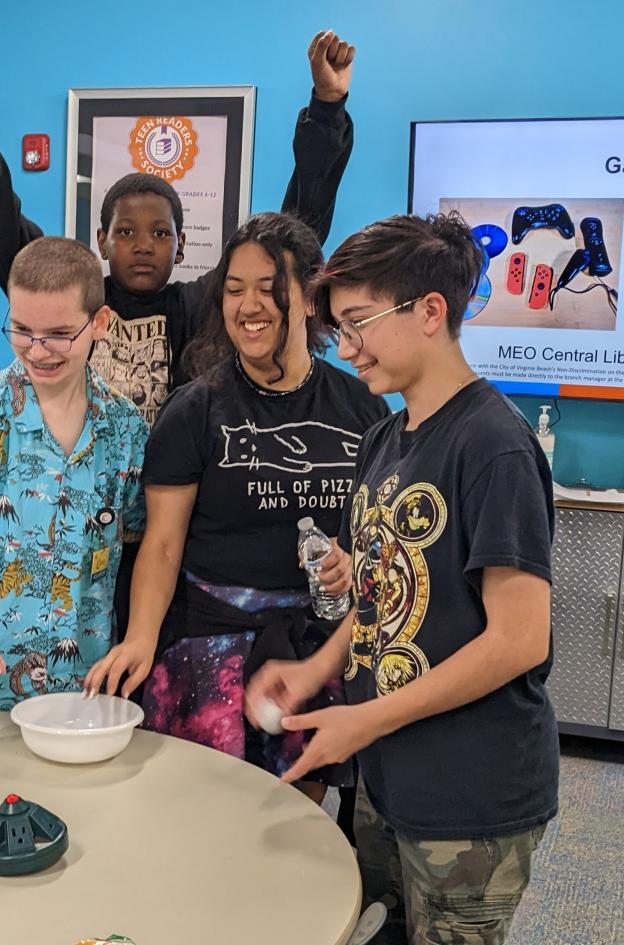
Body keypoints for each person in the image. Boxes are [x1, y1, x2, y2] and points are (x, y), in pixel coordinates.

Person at [246, 213, 558, 945]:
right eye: (339, 329)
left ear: (429, 312)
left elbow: (517, 640)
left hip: (471, 795)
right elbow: (383, 592)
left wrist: (366, 719)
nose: (346, 349)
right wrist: (317, 667)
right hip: (393, 776)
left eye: (358, 324)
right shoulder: (386, 439)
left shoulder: (493, 446)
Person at [83, 212, 390, 801]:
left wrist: (352, 559)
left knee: (296, 818)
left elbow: (373, 533)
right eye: (234, 289)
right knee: (208, 817)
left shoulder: (363, 408)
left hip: (316, 646)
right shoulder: (195, 409)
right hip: (209, 644)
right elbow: (164, 543)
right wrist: (142, 638)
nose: (250, 304)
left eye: (269, 287)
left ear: (307, 298)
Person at [0, 2, 357, 421]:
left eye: (160, 234)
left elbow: (293, 238)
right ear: (101, 239)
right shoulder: (69, 296)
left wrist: (327, 108)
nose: (142, 246)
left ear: (182, 245)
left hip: (176, 487)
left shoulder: (199, 305)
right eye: (126, 232)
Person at [0, 237, 147, 710]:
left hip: (79, 683)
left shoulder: (125, 428)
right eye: (21, 330)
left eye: (60, 334)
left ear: (99, 324)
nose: (38, 350)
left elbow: (137, 540)